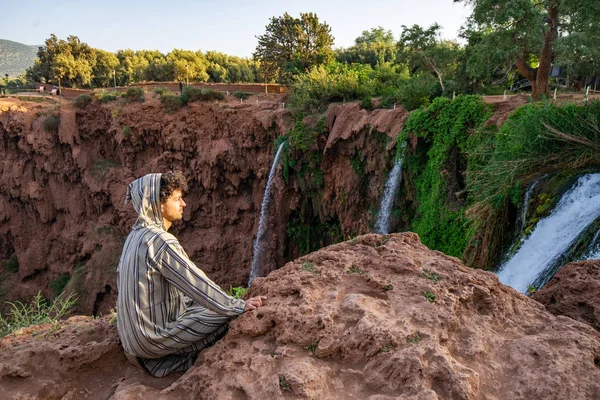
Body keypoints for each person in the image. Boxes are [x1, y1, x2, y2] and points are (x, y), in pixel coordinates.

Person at [116, 172, 266, 377]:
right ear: (158, 204)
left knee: (195, 304)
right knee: (223, 315)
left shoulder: (134, 237)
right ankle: (171, 360)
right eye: (177, 199)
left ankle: (164, 358)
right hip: (150, 340)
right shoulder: (159, 241)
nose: (184, 204)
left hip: (131, 342)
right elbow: (195, 283)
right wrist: (237, 305)